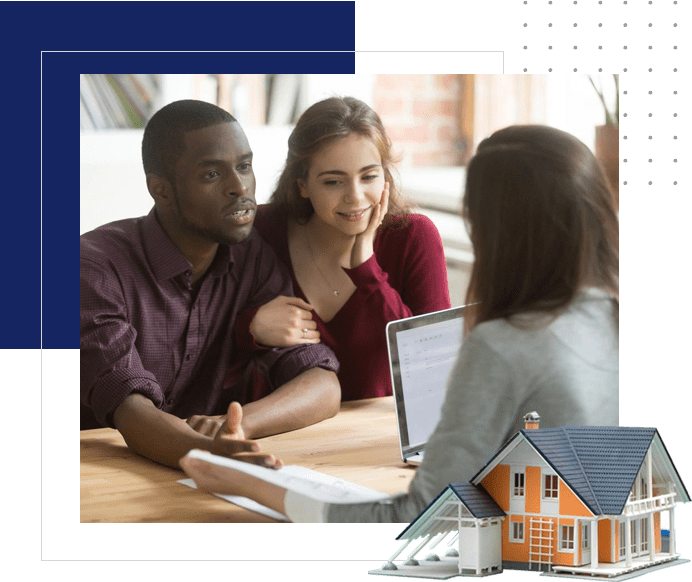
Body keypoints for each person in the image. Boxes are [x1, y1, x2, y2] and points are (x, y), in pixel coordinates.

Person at [181, 124, 620, 522]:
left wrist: (250, 486)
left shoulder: (502, 342)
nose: (354, 196)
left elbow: (418, 518)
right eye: (333, 180)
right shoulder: (607, 316)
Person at [80, 99, 341, 469]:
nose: (239, 187)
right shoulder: (93, 266)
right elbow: (129, 409)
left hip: (184, 475)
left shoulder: (252, 258)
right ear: (162, 190)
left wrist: (233, 427)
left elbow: (322, 385)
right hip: (98, 474)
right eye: (212, 175)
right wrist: (211, 455)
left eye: (244, 166)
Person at [246, 97, 451, 401]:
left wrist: (367, 268)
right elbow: (203, 335)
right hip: (281, 434)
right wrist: (250, 325)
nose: (355, 197)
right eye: (333, 182)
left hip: (379, 439)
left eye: (369, 176)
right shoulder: (262, 230)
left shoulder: (414, 237)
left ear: (385, 175)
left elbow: (433, 368)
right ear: (302, 184)